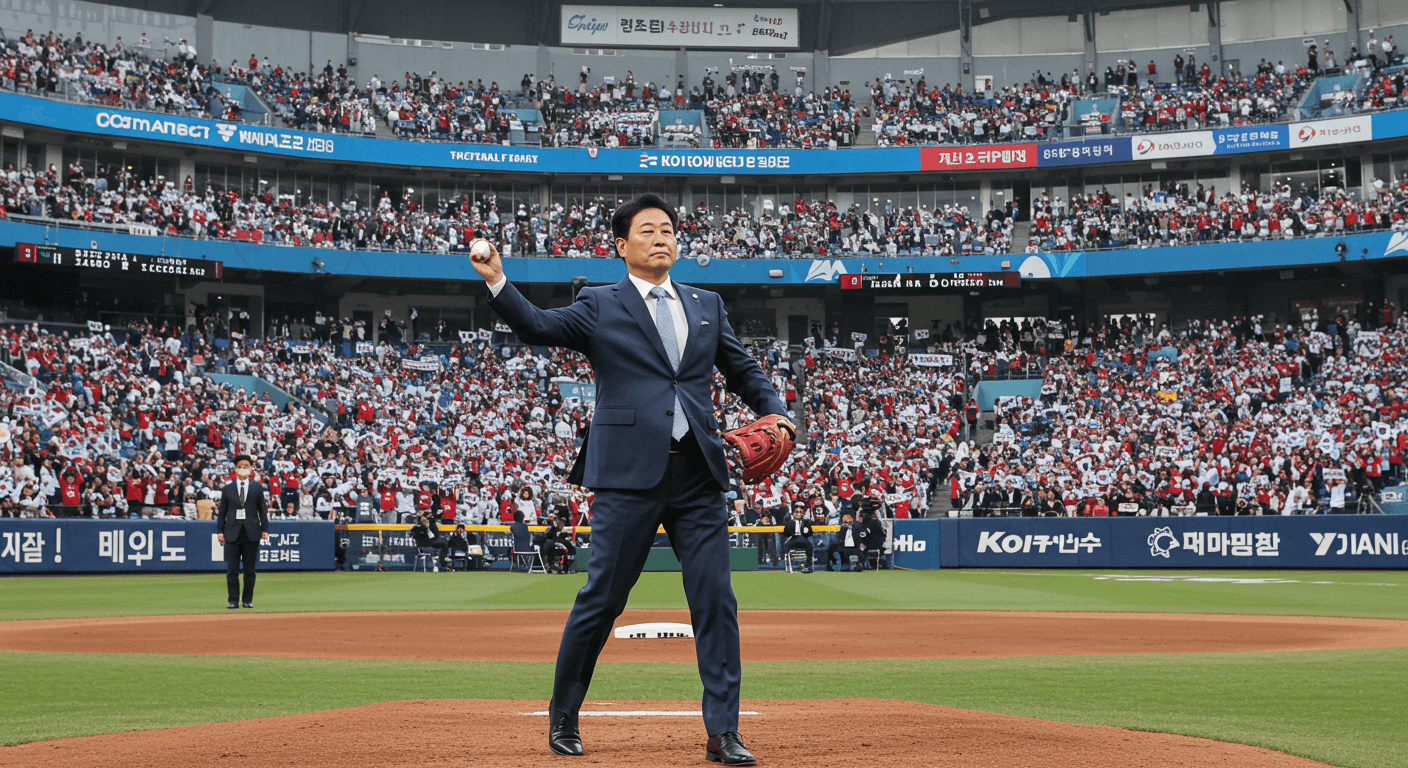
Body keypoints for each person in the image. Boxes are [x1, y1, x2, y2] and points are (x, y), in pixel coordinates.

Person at [472, 193, 789, 765]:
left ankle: (724, 732)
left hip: (699, 473)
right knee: (603, 600)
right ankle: (564, 716)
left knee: (716, 601)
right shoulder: (599, 302)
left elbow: (743, 369)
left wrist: (778, 411)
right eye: (648, 229)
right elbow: (539, 327)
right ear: (622, 245)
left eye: (668, 228)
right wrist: (498, 280)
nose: (662, 237)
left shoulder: (706, 304)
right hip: (627, 476)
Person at [216, 454, 269, 609]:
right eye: (241, 465)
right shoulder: (227, 489)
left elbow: (262, 511)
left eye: (247, 465)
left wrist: (265, 529)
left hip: (251, 532)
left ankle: (247, 600)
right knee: (232, 570)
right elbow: (222, 512)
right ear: (235, 468)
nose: (244, 468)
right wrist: (220, 531)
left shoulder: (257, 488)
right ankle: (233, 600)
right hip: (232, 532)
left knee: (249, 570)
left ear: (251, 469)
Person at [780, 505, 815, 572]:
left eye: (800, 512)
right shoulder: (789, 522)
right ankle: (788, 566)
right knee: (787, 545)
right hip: (793, 538)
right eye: (797, 511)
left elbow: (810, 533)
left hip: (803, 538)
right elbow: (785, 533)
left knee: (809, 545)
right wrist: (791, 531)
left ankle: (808, 566)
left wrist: (806, 532)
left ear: (803, 513)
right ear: (793, 513)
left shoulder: (806, 522)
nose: (798, 513)